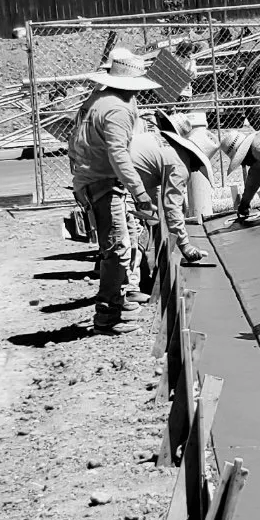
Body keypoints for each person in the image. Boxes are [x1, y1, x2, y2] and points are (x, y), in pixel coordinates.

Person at [68, 51, 160, 334]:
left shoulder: (98, 99)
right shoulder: (117, 109)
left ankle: (121, 297)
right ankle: (107, 315)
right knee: (117, 249)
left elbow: (75, 140)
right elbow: (118, 154)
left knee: (126, 238)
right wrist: (141, 194)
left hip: (94, 179)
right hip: (102, 183)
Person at [129, 115, 217, 270]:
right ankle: (130, 286)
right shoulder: (180, 165)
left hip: (107, 169)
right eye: (198, 166)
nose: (196, 170)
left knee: (123, 227)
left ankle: (116, 270)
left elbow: (153, 196)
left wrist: (157, 221)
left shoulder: (163, 146)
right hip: (117, 177)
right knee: (131, 233)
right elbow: (172, 207)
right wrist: (185, 246)